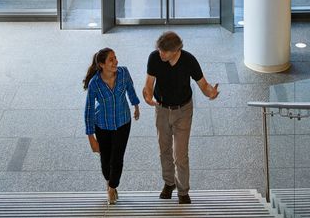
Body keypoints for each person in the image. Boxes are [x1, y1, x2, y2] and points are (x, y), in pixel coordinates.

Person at [142, 30, 219, 204]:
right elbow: (148, 84)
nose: (161, 53)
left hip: (183, 110)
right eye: (159, 49)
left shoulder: (189, 60)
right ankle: (169, 183)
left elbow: (203, 84)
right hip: (161, 109)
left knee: (181, 154)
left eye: (164, 51)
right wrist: (147, 96)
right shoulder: (154, 58)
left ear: (176, 50)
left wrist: (211, 93)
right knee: (164, 149)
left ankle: (183, 191)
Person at [83, 48, 140, 205]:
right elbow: (88, 109)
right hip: (102, 125)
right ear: (102, 64)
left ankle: (112, 187)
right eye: (111, 60)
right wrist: (91, 137)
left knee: (117, 158)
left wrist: (136, 106)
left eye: (115, 58)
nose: (116, 62)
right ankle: (109, 181)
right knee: (105, 159)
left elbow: (130, 89)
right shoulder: (95, 83)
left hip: (123, 122)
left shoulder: (124, 73)